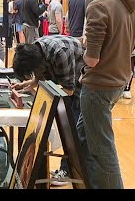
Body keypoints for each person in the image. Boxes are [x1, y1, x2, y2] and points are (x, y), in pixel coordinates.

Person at [80, 0, 135, 188]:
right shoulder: (129, 1)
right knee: (82, 135)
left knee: (102, 150)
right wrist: (118, 45)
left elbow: (92, 59)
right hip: (119, 81)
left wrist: (82, 49)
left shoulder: (99, 4)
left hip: (98, 84)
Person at [11, 35, 84, 186]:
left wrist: (43, 92)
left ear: (36, 64)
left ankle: (67, 171)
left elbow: (69, 90)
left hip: (81, 84)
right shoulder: (37, 49)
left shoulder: (60, 52)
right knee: (69, 127)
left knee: (73, 130)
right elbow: (40, 77)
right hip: (66, 79)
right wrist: (27, 83)